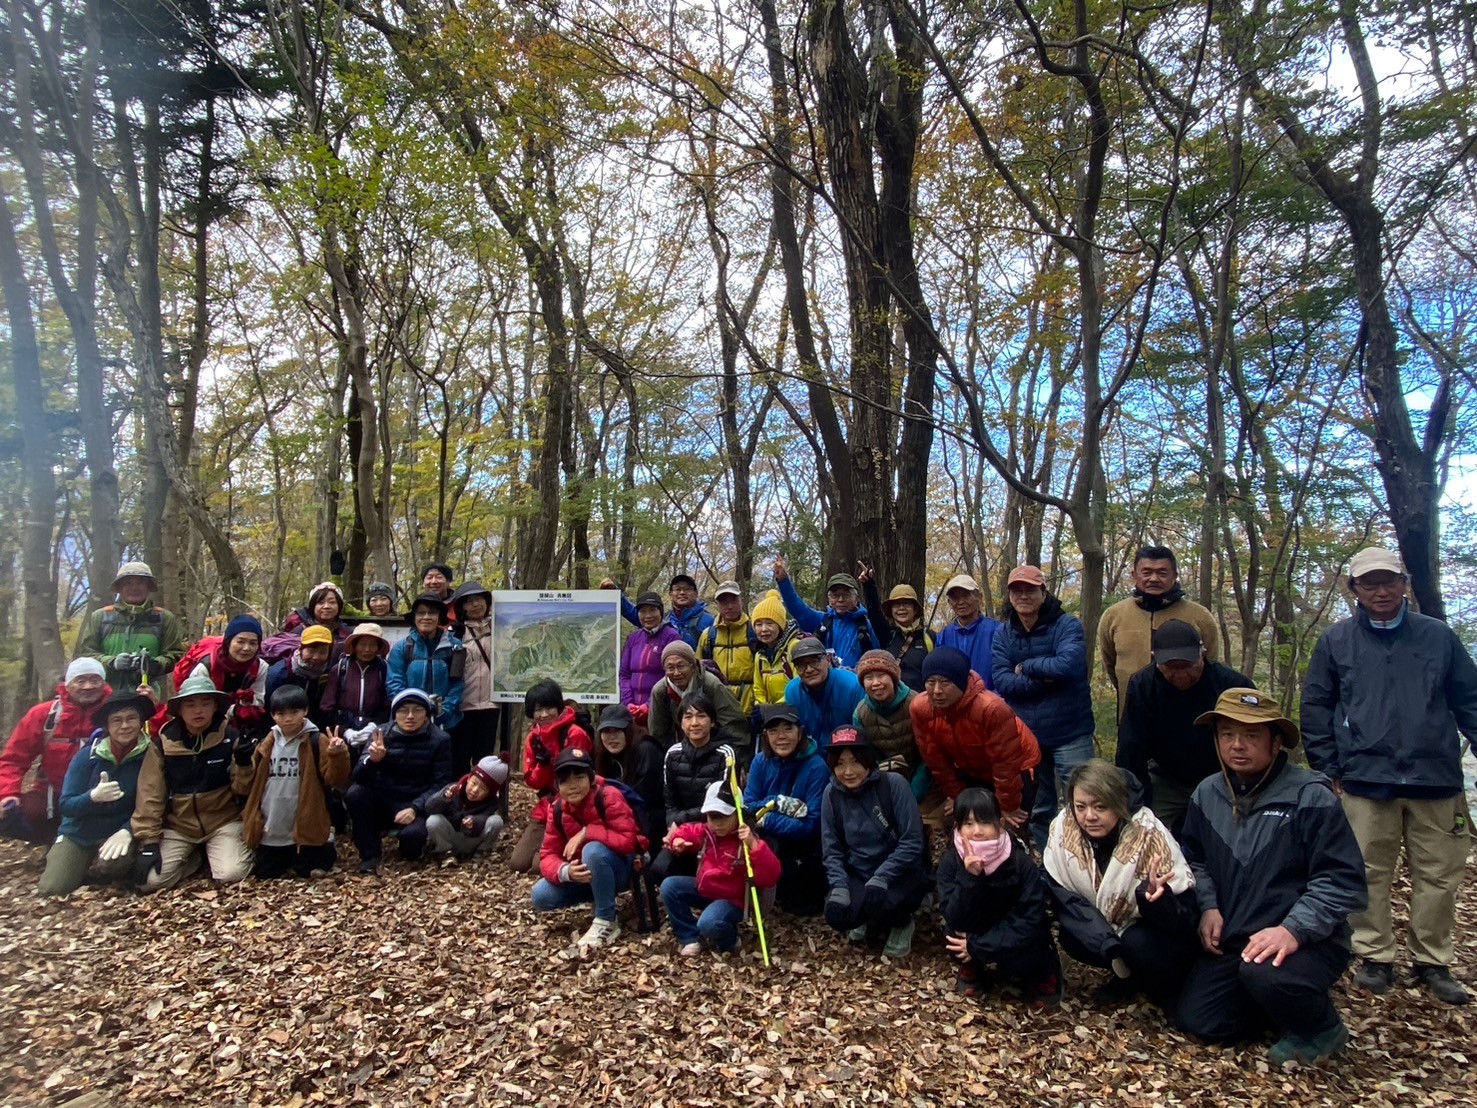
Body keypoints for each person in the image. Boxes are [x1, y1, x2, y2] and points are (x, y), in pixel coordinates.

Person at [1301, 547, 1477, 1006]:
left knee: (1439, 873)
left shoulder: (1437, 637)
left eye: (1389, 581)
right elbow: (1316, 706)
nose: (1381, 591)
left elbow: (1469, 698)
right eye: (1370, 583)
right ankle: (1375, 955)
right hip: (1364, 776)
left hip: (1435, 776)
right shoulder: (1336, 641)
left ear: (1405, 584)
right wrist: (1327, 766)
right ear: (1353, 589)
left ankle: (1433, 959)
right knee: (1366, 871)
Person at [1176, 688, 1367, 1065]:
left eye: (1251, 736)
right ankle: (1277, 1005)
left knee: (1269, 977)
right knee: (1200, 1021)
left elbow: (1341, 880)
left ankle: (1322, 1028)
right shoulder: (1206, 793)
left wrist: (1293, 929)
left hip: (1307, 939)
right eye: (1227, 735)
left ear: (1276, 742)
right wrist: (1209, 905)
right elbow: (1192, 859)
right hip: (1237, 938)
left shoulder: (1311, 796)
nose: (1237, 746)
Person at [1042, 760, 1198, 1007]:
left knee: (1138, 944)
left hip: (1154, 930)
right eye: (1080, 806)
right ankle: (1124, 974)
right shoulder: (1063, 826)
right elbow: (1061, 894)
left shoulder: (1148, 832)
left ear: (1118, 804)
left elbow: (1186, 919)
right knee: (1071, 936)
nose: (1088, 816)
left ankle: (1161, 985)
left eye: (1100, 807)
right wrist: (1104, 942)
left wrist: (1156, 899)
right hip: (1106, 931)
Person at [990, 565, 1096, 847]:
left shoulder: (1066, 625)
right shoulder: (1003, 633)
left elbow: (1068, 666)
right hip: (1027, 735)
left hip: (1070, 731)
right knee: (1038, 805)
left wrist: (1025, 667)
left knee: (1085, 797)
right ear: (1010, 595)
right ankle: (1045, 858)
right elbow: (1002, 680)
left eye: (1030, 589)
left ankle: (1085, 851)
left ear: (1043, 592)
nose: (1023, 595)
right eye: (1017, 590)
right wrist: (1045, 679)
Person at [1114, 620, 1252, 834]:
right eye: (1170, 668)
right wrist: (1136, 804)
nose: (1180, 675)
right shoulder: (1142, 685)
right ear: (1156, 660)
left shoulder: (1231, 685)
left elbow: (1256, 741)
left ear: (1202, 654)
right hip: (1166, 778)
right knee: (1139, 830)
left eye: (1187, 666)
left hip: (1223, 778)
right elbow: (1131, 751)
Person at [938, 788, 1062, 1008]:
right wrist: (970, 877)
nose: (977, 831)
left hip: (1014, 933)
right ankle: (972, 968)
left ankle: (1044, 976)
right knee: (953, 936)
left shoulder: (1020, 862)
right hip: (976, 929)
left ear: (1000, 823)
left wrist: (978, 946)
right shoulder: (951, 861)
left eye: (984, 822)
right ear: (958, 827)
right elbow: (953, 916)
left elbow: (1030, 919)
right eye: (968, 823)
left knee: (1028, 952)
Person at [132, 673, 254, 892]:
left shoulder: (231, 737)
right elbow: (150, 793)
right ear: (179, 709)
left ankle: (214, 854)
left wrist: (245, 765)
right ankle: (194, 859)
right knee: (150, 883)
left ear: (216, 706)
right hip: (179, 825)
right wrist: (149, 842)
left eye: (205, 703)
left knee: (232, 874)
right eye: (190, 704)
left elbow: (243, 789)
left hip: (223, 820)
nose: (198, 711)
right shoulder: (163, 744)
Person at [820, 729, 929, 957]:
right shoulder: (832, 793)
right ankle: (864, 915)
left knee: (881, 901)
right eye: (840, 764)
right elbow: (832, 849)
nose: (848, 772)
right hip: (860, 869)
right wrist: (839, 885)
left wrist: (883, 876)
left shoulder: (893, 785)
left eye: (855, 762)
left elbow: (912, 841)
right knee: (838, 913)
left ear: (868, 761)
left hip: (901, 871)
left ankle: (901, 923)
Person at [532, 746, 648, 955]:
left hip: (619, 869)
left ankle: (606, 920)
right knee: (541, 895)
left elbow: (628, 842)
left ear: (591, 778)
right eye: (565, 780)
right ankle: (598, 894)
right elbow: (548, 854)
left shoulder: (609, 797)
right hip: (586, 874)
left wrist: (589, 832)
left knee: (593, 850)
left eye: (579, 777)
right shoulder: (557, 809)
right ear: (557, 786)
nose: (573, 786)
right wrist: (566, 871)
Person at [37, 690, 153, 896]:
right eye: (117, 720)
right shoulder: (87, 757)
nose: (125, 726)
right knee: (52, 888)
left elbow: (154, 803)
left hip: (120, 832)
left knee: (115, 865)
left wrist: (128, 830)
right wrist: (92, 797)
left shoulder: (151, 755)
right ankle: (71, 861)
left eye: (131, 719)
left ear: (140, 721)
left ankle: (103, 867)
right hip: (79, 833)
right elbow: (66, 805)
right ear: (107, 726)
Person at [911, 646, 1041, 829]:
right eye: (930, 682)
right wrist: (957, 794)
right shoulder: (921, 708)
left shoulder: (991, 708)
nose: (937, 690)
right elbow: (935, 760)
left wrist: (1008, 806)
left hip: (1018, 765)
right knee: (962, 821)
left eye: (945, 682)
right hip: (971, 766)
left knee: (1007, 827)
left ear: (962, 682)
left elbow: (1005, 764)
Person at [241, 684, 351, 879]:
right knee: (267, 872)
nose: (288, 718)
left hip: (306, 817)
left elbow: (335, 778)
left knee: (309, 870)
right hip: (272, 818)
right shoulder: (267, 742)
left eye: (294, 712)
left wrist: (337, 754)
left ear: (306, 711)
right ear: (273, 715)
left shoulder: (317, 740)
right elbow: (249, 782)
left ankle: (322, 850)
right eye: (281, 713)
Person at [661, 780, 781, 955]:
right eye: (712, 817)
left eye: (723, 817)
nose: (717, 823)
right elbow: (688, 830)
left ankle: (730, 942)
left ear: (738, 814)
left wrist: (754, 846)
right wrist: (677, 840)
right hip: (706, 890)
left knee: (708, 923)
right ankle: (690, 937)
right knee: (669, 886)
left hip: (732, 901)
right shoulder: (707, 832)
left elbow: (771, 876)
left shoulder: (747, 840)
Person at [1099, 545, 1220, 716]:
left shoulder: (1199, 616)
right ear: (1134, 575)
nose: (1154, 579)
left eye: (1162, 573)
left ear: (1175, 576)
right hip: (1132, 716)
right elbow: (1110, 663)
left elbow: (1211, 665)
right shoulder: (1113, 616)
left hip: (1187, 715)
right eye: (1146, 572)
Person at [0, 658, 110, 845]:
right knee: (10, 815)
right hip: (52, 793)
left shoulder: (116, 712)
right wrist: (7, 793)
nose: (88, 686)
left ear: (104, 683)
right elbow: (13, 759)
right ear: (67, 684)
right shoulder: (44, 715)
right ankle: (52, 841)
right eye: (80, 681)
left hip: (101, 792)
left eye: (95, 680)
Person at [344, 688, 456, 873]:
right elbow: (358, 777)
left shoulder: (440, 740)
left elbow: (440, 784)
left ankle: (411, 846)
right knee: (355, 793)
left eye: (417, 710)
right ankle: (369, 856)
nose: (410, 716)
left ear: (427, 714)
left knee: (412, 843)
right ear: (394, 714)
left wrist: (415, 808)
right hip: (384, 800)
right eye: (403, 710)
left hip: (417, 802)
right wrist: (373, 761)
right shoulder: (381, 734)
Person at [743, 703, 829, 915]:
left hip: (803, 846)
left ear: (799, 732)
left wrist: (767, 817)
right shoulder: (760, 762)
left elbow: (810, 825)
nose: (781, 736)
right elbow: (749, 808)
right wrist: (777, 802)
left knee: (800, 904)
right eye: (774, 730)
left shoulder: (816, 767)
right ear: (765, 735)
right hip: (766, 841)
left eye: (788, 728)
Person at [650, 693, 739, 889]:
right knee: (659, 869)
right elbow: (670, 802)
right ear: (680, 723)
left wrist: (681, 824)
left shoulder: (726, 754)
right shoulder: (672, 754)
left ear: (713, 722)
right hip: (682, 829)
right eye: (688, 717)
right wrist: (674, 830)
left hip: (716, 829)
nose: (695, 723)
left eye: (701, 716)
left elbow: (722, 805)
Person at [509, 680, 593, 872]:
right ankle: (548, 847)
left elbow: (577, 779)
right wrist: (544, 764)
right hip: (546, 804)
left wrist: (553, 762)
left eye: (549, 708)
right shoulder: (533, 737)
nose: (544, 714)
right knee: (518, 863)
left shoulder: (574, 733)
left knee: (540, 866)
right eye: (538, 709)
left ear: (559, 706)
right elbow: (533, 781)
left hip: (574, 807)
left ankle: (552, 852)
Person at [73, 560, 183, 695]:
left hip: (148, 694)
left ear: (149, 586)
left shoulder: (164, 618)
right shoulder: (100, 617)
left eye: (140, 583)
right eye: (128, 583)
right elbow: (86, 654)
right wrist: (112, 662)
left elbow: (175, 654)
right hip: (104, 695)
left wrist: (155, 665)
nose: (134, 588)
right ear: (119, 587)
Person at [176, 613, 270, 739]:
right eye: (240, 642)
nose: (246, 648)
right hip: (204, 723)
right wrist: (234, 710)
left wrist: (247, 703)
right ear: (228, 642)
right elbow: (197, 705)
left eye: (253, 643)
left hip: (241, 724)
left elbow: (259, 700)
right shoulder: (206, 667)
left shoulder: (260, 667)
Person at [645, 641, 749, 752]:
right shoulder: (660, 691)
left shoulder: (711, 685)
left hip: (714, 746)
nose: (676, 673)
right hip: (680, 749)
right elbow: (658, 733)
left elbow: (733, 725)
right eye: (670, 668)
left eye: (681, 666)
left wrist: (735, 759)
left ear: (693, 665)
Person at [772, 557, 874, 668]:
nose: (840, 600)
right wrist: (783, 581)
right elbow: (798, 609)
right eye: (835, 595)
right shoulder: (822, 621)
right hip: (825, 683)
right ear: (829, 599)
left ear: (856, 598)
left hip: (856, 683)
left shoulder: (866, 626)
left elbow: (877, 656)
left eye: (846, 595)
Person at [386, 593, 465, 732]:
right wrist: (412, 710)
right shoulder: (402, 647)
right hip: (409, 722)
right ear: (414, 617)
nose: (426, 617)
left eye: (432, 613)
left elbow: (458, 683)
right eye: (421, 613)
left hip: (447, 722)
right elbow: (394, 683)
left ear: (439, 617)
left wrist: (445, 710)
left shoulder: (454, 646)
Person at [593, 704, 665, 846]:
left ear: (629, 730)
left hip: (650, 823)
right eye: (606, 731)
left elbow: (643, 798)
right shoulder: (603, 756)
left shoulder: (646, 750)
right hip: (619, 819)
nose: (612, 737)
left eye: (618, 731)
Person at [449, 581, 500, 771]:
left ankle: (482, 799)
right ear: (462, 607)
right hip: (463, 704)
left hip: (491, 704)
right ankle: (459, 797)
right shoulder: (456, 633)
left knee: (484, 759)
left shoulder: (499, 629)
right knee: (460, 758)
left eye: (478, 599)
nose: (475, 605)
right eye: (469, 601)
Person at [858, 569, 934, 691]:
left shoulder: (930, 638)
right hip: (891, 703)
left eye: (906, 604)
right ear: (891, 611)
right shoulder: (889, 635)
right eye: (896, 604)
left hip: (920, 703)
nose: (901, 608)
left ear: (915, 609)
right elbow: (874, 615)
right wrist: (868, 585)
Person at [320, 622, 393, 747]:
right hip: (342, 735)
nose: (367, 649)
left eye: (372, 645)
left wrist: (373, 726)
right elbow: (327, 706)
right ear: (354, 645)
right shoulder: (340, 669)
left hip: (375, 735)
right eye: (362, 644)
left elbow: (388, 704)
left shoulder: (384, 669)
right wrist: (345, 731)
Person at [783, 637, 865, 746]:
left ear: (828, 659)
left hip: (849, 751)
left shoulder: (852, 686)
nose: (809, 669)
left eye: (815, 661)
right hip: (811, 755)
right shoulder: (792, 691)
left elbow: (863, 732)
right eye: (801, 664)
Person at [426, 755, 509, 858]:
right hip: (450, 836)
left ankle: (483, 850)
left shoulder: (491, 803)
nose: (474, 790)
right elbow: (429, 808)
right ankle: (446, 852)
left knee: (496, 821)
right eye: (474, 783)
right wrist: (444, 799)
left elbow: (485, 817)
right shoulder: (453, 789)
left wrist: (474, 822)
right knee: (433, 820)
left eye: (482, 788)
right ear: (469, 778)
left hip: (473, 841)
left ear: (490, 793)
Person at [696, 581, 757, 719]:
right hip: (718, 706)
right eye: (723, 602)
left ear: (741, 601)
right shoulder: (708, 635)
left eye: (733, 600)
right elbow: (698, 672)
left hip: (750, 707)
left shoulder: (754, 631)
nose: (729, 606)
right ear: (717, 605)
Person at [619, 591, 680, 727]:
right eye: (643, 611)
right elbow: (624, 674)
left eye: (652, 610)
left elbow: (672, 677)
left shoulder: (671, 637)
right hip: (632, 710)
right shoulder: (633, 638)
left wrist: (649, 706)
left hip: (661, 709)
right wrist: (628, 703)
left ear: (661, 612)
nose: (648, 616)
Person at [935, 574, 1001, 692]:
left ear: (979, 598)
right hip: (954, 704)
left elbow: (1005, 669)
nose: (960, 602)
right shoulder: (944, 636)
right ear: (950, 603)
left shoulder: (997, 630)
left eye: (966, 596)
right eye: (955, 598)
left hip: (990, 703)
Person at [263, 625, 337, 730]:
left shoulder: (326, 674)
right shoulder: (279, 674)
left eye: (322, 652)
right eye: (311, 651)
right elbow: (267, 708)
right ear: (301, 648)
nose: (316, 657)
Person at [750, 589, 801, 720]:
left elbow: (799, 684)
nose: (764, 629)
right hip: (771, 718)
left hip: (794, 714)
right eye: (758, 624)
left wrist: (772, 710)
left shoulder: (794, 647)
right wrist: (761, 707)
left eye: (769, 623)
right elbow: (758, 689)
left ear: (780, 625)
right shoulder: (760, 656)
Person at [280, 581, 352, 642]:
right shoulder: (299, 632)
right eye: (321, 603)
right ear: (313, 606)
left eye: (332, 602)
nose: (326, 606)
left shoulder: (346, 633)